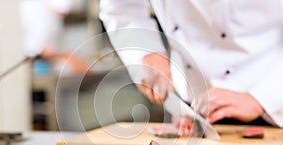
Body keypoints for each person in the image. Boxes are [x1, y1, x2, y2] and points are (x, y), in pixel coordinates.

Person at [99, 0, 283, 127]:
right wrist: (146, 52)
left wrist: (263, 98)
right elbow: (121, 7)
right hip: (194, 107)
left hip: (272, 100)